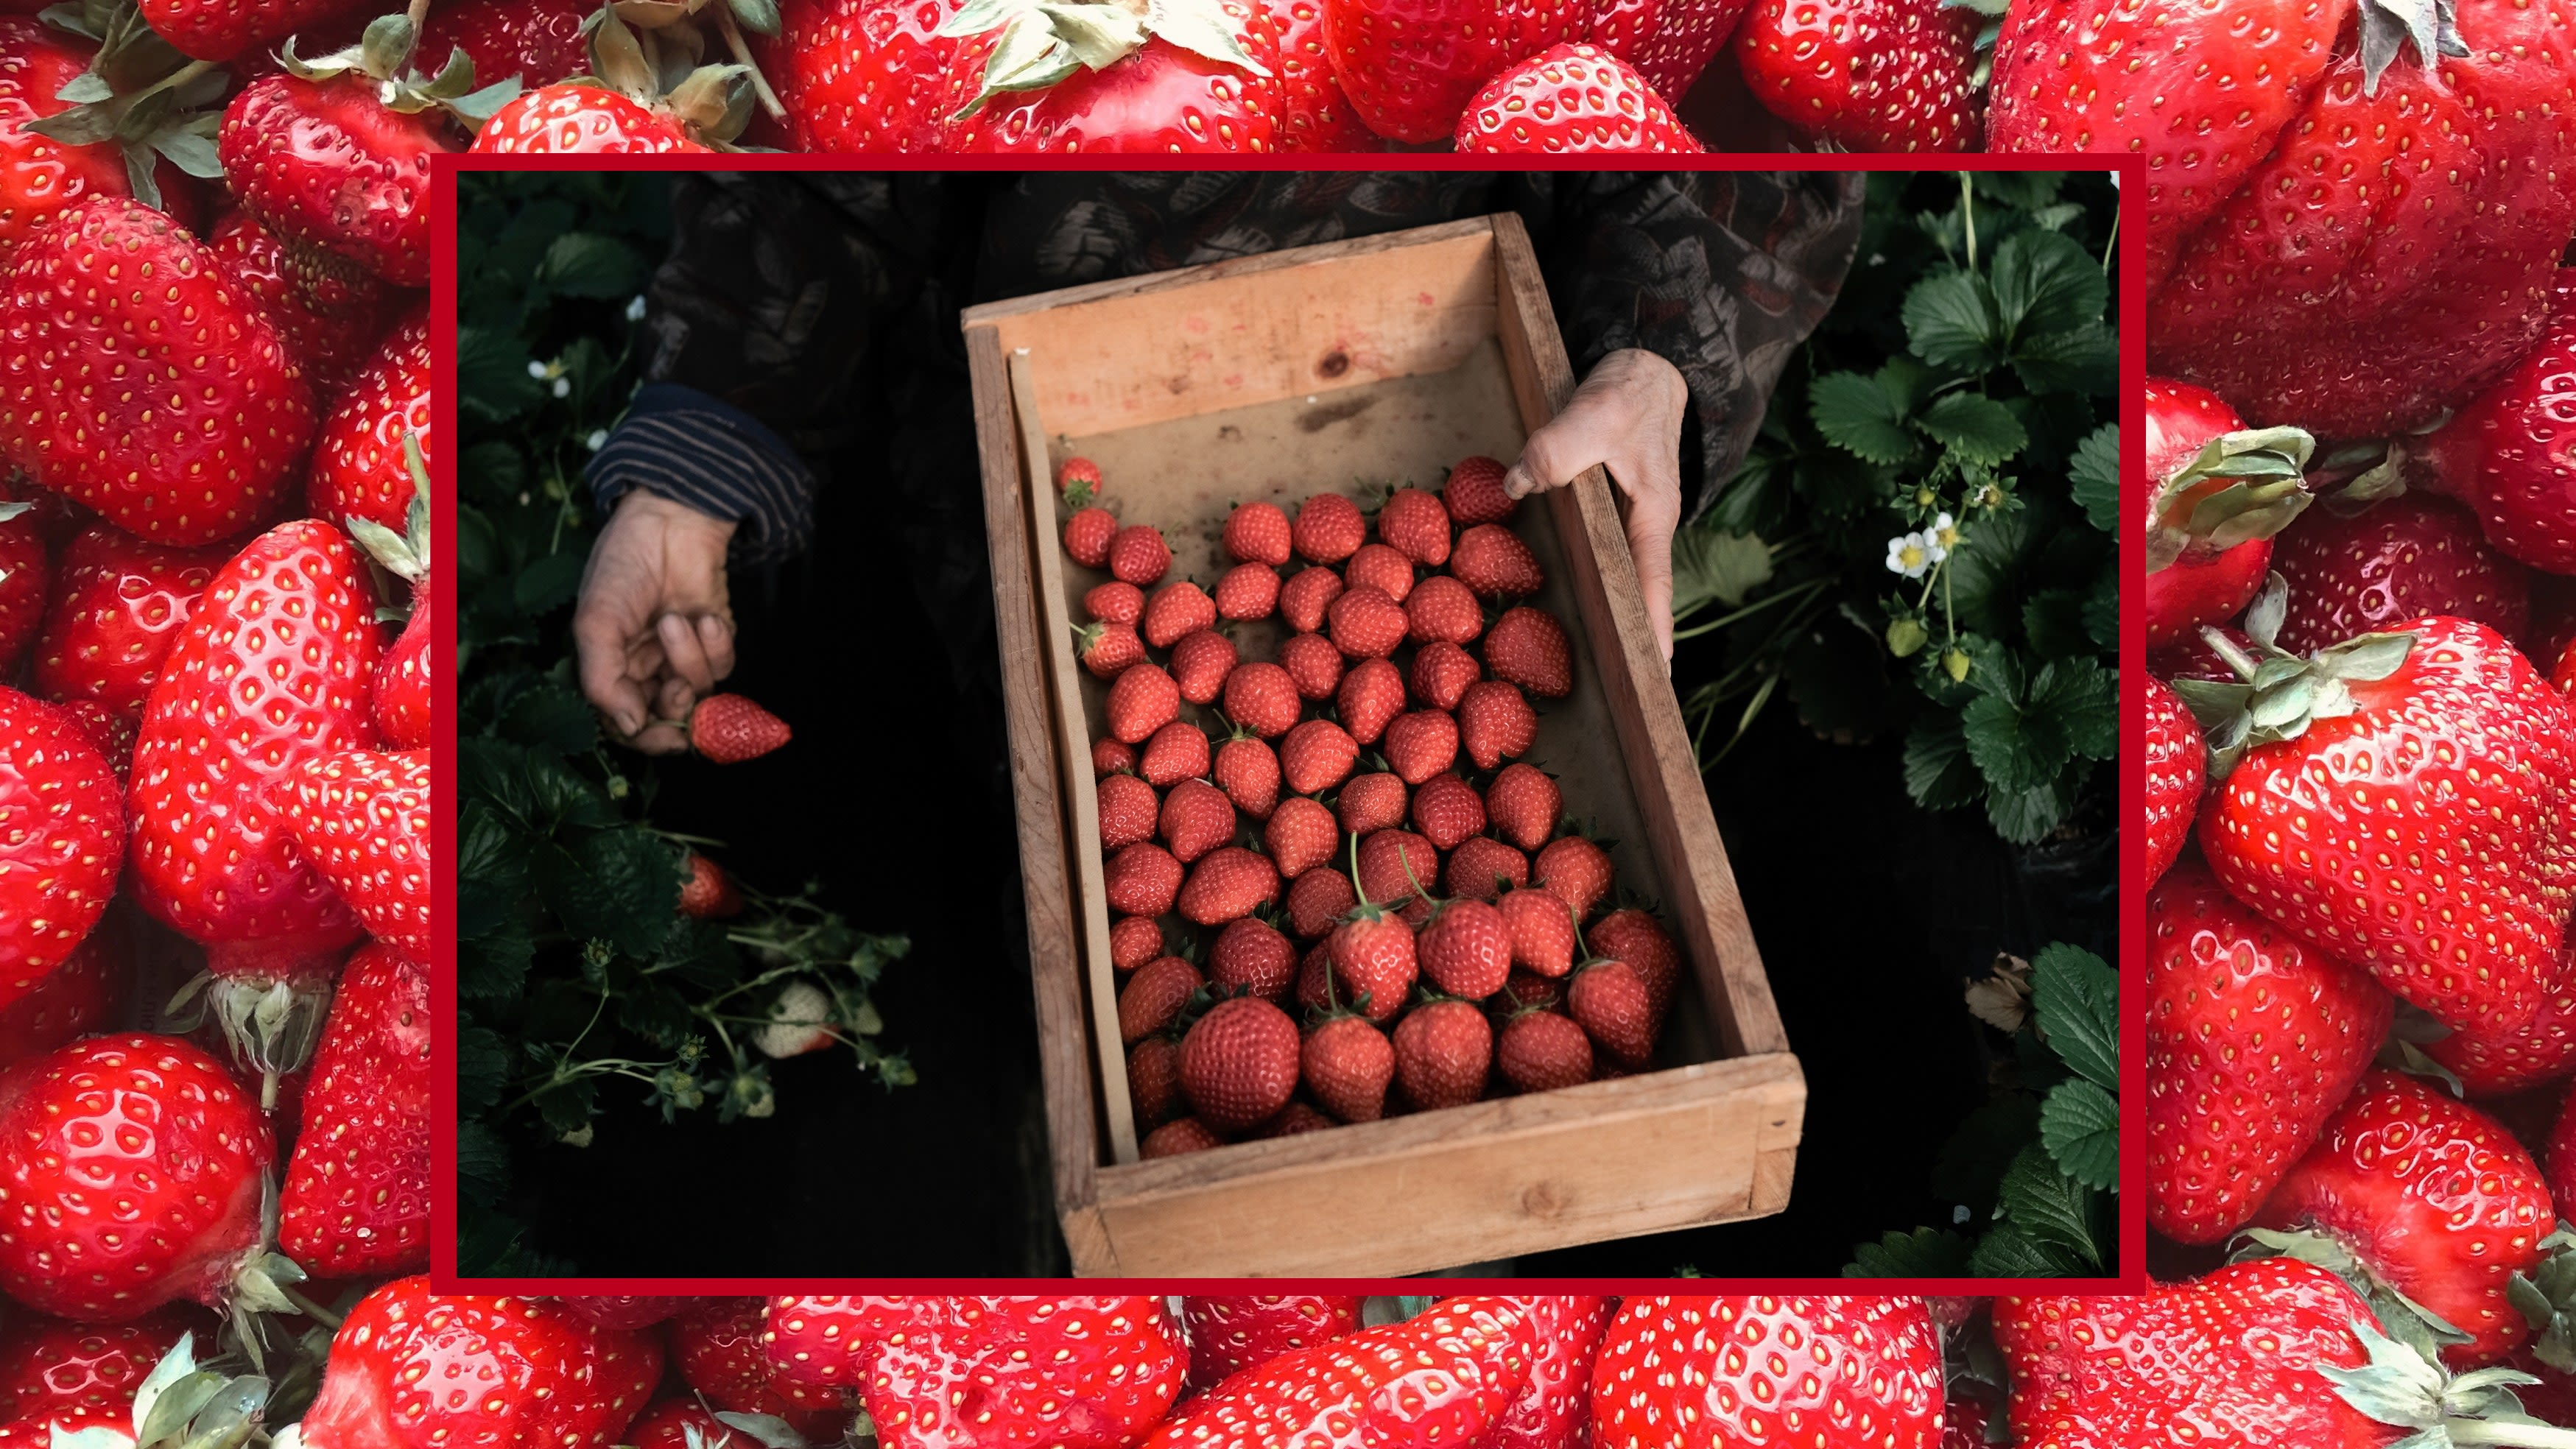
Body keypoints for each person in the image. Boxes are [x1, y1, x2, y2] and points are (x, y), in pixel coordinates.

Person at [573, 172, 1866, 750]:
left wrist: (1655, 355)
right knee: (1045, 765)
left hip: (1466, 394)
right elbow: (831, 131)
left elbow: (1732, 96)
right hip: (1008, 465)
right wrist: (708, 435)